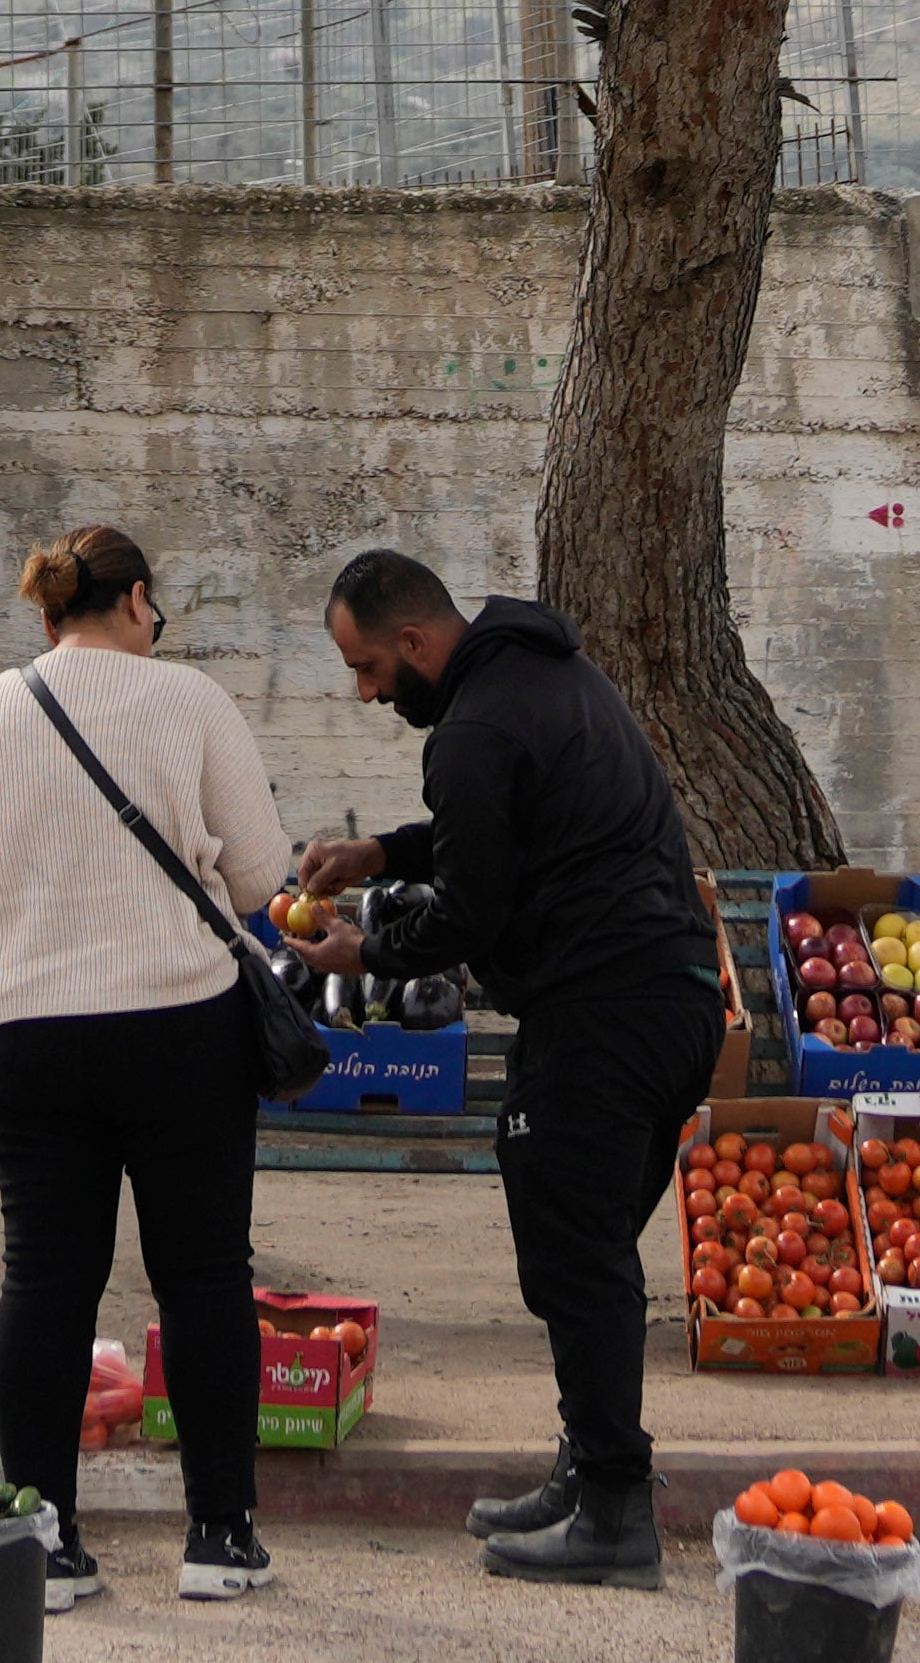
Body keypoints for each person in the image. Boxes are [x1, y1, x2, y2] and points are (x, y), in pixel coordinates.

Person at [275, 547, 718, 1586]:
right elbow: (504, 833)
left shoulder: (471, 728)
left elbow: (473, 911)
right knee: (584, 1255)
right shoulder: (552, 677)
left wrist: (363, 952)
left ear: (417, 644)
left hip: (603, 1015)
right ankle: (586, 1470)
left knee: (578, 1265)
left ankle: (614, 1508)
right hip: (670, 1003)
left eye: (372, 669)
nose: (368, 692)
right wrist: (383, 851)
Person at [0, 521, 291, 1606]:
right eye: (155, 610)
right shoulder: (191, 702)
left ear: (47, 612)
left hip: (24, 1039)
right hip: (179, 1025)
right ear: (135, 602)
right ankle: (219, 1538)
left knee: (47, 1278)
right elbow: (258, 878)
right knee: (204, 1274)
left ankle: (47, 1541)